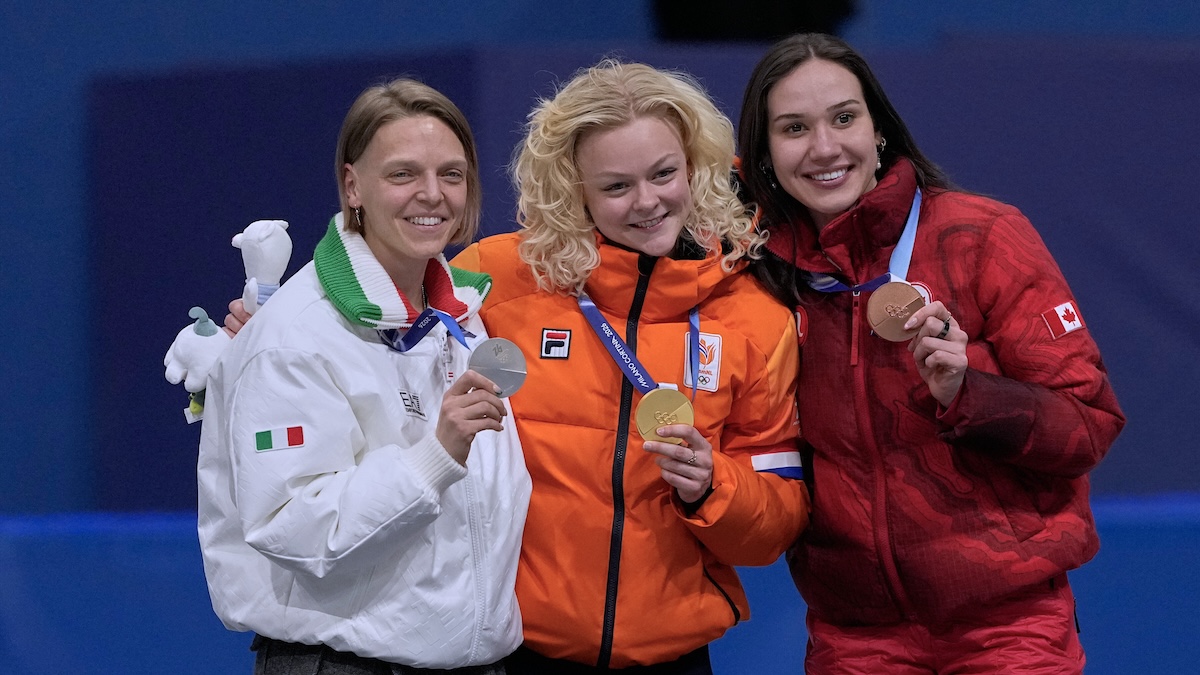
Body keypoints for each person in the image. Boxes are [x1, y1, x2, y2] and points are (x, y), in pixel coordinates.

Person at [735, 33, 1125, 674]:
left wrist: (970, 394)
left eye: (843, 118)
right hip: (857, 637)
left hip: (1008, 627)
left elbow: (1088, 426)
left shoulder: (981, 237)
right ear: (764, 154)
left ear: (880, 129)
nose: (824, 147)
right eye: (794, 128)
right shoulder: (761, 273)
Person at [452, 60, 811, 673]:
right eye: (616, 186)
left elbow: (776, 524)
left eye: (664, 173)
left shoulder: (755, 318)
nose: (648, 202)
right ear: (575, 190)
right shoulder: (496, 278)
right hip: (513, 652)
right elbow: (387, 349)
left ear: (694, 166)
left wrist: (713, 486)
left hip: (674, 657)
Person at [196, 78, 531, 674]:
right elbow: (293, 526)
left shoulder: (460, 318)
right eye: (403, 174)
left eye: (451, 174)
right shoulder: (295, 335)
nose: (432, 194)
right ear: (353, 186)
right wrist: (435, 455)